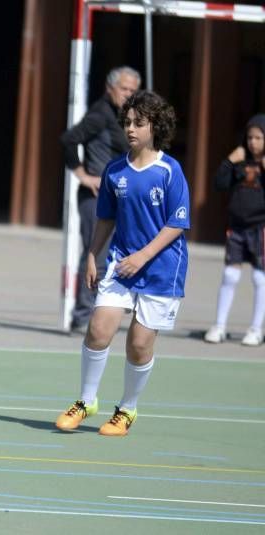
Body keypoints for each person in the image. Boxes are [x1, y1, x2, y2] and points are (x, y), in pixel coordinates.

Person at [55, 90, 189, 437]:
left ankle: (127, 410)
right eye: (127, 122)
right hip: (119, 265)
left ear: (154, 127)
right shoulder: (115, 171)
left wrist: (144, 256)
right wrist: (91, 255)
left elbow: (177, 223)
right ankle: (86, 401)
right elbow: (105, 219)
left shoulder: (169, 171)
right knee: (99, 329)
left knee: (139, 344)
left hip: (160, 270)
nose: (130, 129)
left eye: (138, 123)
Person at [61, 66, 141, 333]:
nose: (129, 94)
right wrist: (83, 175)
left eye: (133, 90)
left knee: (119, 255)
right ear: (110, 88)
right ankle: (83, 316)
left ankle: (104, 311)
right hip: (95, 198)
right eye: (124, 89)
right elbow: (69, 140)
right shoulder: (100, 114)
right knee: (97, 254)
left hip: (119, 197)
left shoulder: (124, 117)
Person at [204, 114, 265, 346]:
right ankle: (219, 326)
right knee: (230, 275)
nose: (253, 142)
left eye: (259, 138)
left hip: (260, 229)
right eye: (250, 137)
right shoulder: (240, 161)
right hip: (237, 227)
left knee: (260, 278)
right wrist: (229, 161)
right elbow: (219, 184)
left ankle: (256, 329)